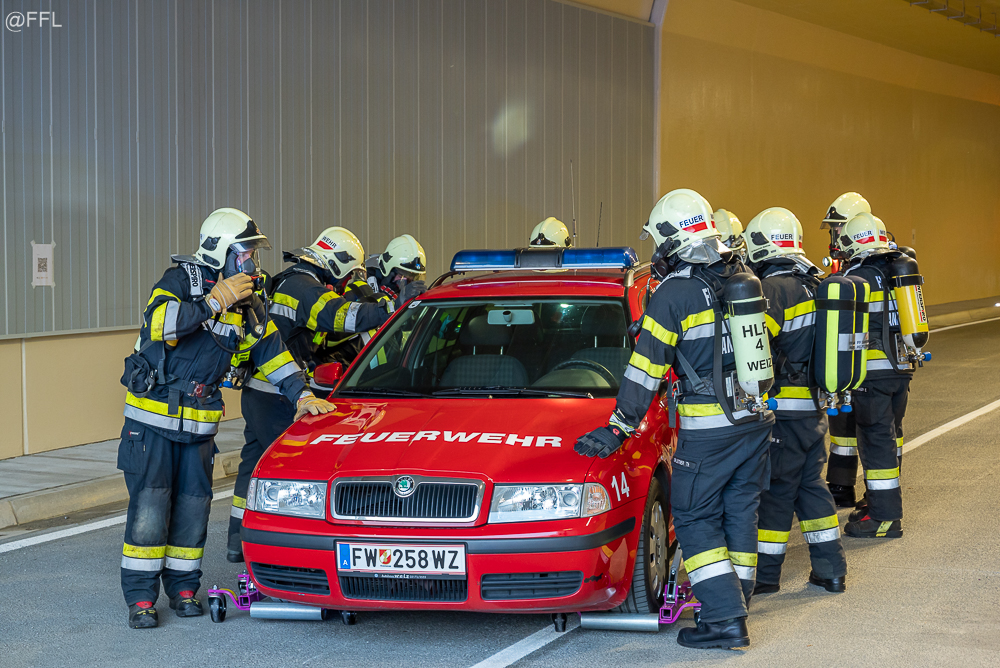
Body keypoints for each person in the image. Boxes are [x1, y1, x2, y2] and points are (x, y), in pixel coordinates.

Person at [574, 188, 773, 650]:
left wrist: (619, 427)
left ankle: (724, 619)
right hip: (754, 421)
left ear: (672, 239)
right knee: (739, 512)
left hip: (710, 430)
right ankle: (736, 599)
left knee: (695, 515)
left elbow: (646, 369)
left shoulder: (674, 293)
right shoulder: (739, 275)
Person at [118, 208, 334, 629]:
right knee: (150, 509)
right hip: (153, 423)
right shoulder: (180, 280)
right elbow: (160, 323)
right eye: (245, 253)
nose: (252, 262)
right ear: (221, 252)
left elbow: (272, 351)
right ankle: (141, 599)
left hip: (199, 426)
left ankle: (184, 589)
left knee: (193, 508)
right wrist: (213, 301)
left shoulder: (249, 304)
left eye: (253, 253)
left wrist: (303, 395)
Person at [226, 227, 425, 562]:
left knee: (253, 466)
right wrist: (392, 305)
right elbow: (340, 316)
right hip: (278, 393)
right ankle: (287, 552)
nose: (346, 282)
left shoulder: (294, 281)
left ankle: (238, 543)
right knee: (292, 473)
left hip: (261, 390)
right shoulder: (305, 287)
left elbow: (322, 334)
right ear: (337, 263)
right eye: (347, 274)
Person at [742, 207, 847, 595]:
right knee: (812, 488)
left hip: (782, 410)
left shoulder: (774, 289)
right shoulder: (815, 283)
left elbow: (754, 346)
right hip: (814, 410)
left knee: (776, 493)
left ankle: (766, 576)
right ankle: (831, 569)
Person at [834, 212, 914, 538]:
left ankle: (884, 519)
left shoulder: (857, 277)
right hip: (901, 368)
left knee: (875, 442)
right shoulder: (898, 271)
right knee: (891, 437)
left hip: (872, 374)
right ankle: (874, 502)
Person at [820, 192, 873, 508]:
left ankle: (878, 494)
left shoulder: (874, 264)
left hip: (872, 361)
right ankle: (841, 485)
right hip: (847, 359)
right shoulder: (846, 265)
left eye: (838, 227)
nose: (834, 234)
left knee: (875, 430)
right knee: (842, 426)